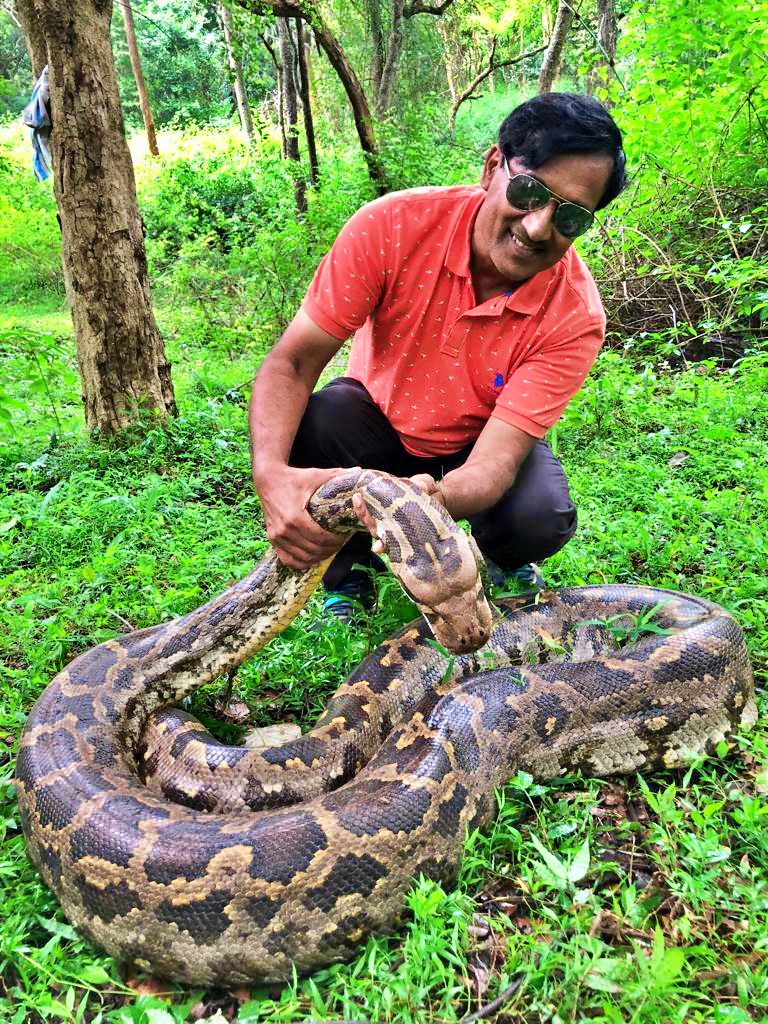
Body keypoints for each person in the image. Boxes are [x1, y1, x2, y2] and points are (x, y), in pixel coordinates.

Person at [249, 92, 627, 621]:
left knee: (541, 512)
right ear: (493, 166)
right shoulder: (393, 227)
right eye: (528, 190)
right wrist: (270, 477)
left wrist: (425, 503)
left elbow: (496, 462)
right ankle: (348, 570)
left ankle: (500, 559)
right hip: (375, 426)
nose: (538, 227)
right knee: (321, 418)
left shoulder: (574, 315)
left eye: (570, 217)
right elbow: (291, 364)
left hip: (474, 449)